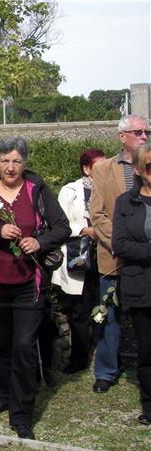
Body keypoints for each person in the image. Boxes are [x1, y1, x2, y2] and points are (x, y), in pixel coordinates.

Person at [0, 136, 70, 440]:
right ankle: (5, 394)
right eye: (5, 161)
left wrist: (40, 241)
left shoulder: (38, 190)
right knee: (1, 345)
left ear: (25, 162)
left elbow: (62, 227)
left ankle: (21, 415)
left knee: (23, 346)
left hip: (29, 283)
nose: (11, 167)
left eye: (17, 161)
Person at [90, 114, 149, 394]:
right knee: (108, 316)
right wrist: (122, 241)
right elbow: (98, 213)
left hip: (147, 260)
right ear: (122, 136)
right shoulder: (104, 169)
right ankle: (106, 371)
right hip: (113, 256)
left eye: (147, 131)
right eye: (138, 131)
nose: (144, 136)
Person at [51, 149, 105, 374]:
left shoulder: (110, 189)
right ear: (86, 168)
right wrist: (85, 229)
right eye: (99, 167)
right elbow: (59, 223)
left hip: (104, 255)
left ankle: (104, 355)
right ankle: (79, 357)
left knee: (105, 307)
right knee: (79, 310)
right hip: (78, 255)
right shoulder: (70, 191)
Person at [111, 142, 151, 426]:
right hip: (142, 287)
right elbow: (120, 243)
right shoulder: (125, 202)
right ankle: (149, 405)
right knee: (147, 351)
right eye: (149, 166)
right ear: (137, 169)